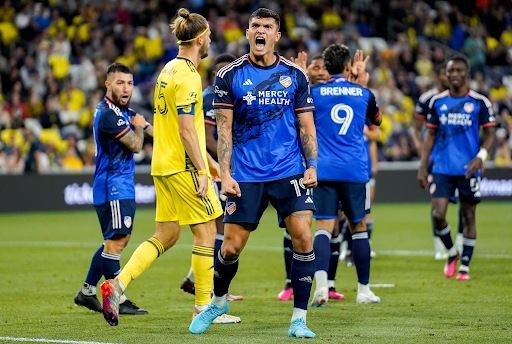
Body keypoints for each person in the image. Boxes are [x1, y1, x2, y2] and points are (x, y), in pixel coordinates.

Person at [100, 8, 239, 327]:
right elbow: (188, 129)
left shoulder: (168, 70)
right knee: (206, 232)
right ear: (201, 38)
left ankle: (116, 285)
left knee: (167, 233)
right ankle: (204, 309)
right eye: (209, 37)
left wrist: (213, 163)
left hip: (161, 165)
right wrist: (203, 170)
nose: (210, 42)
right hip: (183, 167)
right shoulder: (190, 75)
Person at [189, 8, 318, 338]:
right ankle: (218, 302)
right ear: (248, 33)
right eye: (255, 26)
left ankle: (299, 320)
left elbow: (306, 125)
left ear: (276, 36)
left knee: (303, 237)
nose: (260, 31)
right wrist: (226, 174)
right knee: (230, 248)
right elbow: (223, 130)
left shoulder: (295, 76)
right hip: (245, 174)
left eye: (267, 27)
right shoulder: (228, 76)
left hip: (289, 170)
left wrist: (312, 165)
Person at [74, 62, 150, 316]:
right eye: (120, 82)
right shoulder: (108, 114)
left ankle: (87, 292)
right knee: (116, 243)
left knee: (115, 241)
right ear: (108, 85)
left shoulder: (122, 111)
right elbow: (137, 145)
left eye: (129, 83)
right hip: (113, 186)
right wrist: (139, 125)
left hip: (119, 185)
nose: (126, 87)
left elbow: (151, 131)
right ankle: (118, 296)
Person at [310, 44, 382, 307]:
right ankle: (363, 290)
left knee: (323, 229)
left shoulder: (314, 93)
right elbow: (378, 121)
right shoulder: (363, 93)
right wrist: (360, 82)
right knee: (358, 227)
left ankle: (321, 286)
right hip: (354, 171)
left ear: (326, 67)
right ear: (349, 66)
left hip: (324, 170)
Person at [418, 55, 495, 281]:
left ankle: (465, 266)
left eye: (459, 71)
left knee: (468, 215)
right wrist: (422, 166)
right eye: (451, 71)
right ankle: (452, 252)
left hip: (469, 168)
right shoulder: (437, 102)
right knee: (438, 215)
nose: (454, 75)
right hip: (442, 167)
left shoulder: (480, 102)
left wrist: (481, 156)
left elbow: (490, 133)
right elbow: (430, 134)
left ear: (467, 74)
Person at [180, 53, 244, 302]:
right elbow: (206, 136)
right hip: (214, 169)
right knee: (221, 226)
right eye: (220, 72)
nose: (223, 76)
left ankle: (194, 279)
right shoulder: (210, 96)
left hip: (223, 167)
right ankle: (214, 289)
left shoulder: (232, 95)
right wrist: (219, 164)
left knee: (220, 227)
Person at [278, 53, 331, 301]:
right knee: (297, 229)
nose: (320, 72)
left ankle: (328, 284)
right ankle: (291, 283)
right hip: (297, 168)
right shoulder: (299, 92)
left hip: (325, 168)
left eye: (324, 69)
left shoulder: (329, 97)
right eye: (314, 68)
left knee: (331, 227)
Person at [413, 64, 463, 260]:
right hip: (436, 159)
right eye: (444, 73)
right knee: (437, 204)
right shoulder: (428, 99)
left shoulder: (466, 97)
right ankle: (438, 246)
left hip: (460, 158)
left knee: (463, 202)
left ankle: (459, 241)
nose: (448, 76)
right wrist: (421, 150)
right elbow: (416, 128)